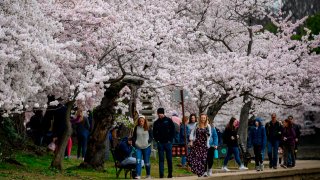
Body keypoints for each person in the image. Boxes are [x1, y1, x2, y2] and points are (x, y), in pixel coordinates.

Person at [153, 108, 175, 178]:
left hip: (168, 143)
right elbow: (154, 133)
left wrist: (170, 140)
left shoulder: (168, 120)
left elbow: (173, 130)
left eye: (161, 113)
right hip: (160, 143)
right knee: (161, 159)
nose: (159, 115)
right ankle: (161, 174)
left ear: (163, 113)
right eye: (158, 114)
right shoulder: (156, 122)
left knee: (169, 159)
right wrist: (157, 140)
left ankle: (170, 173)